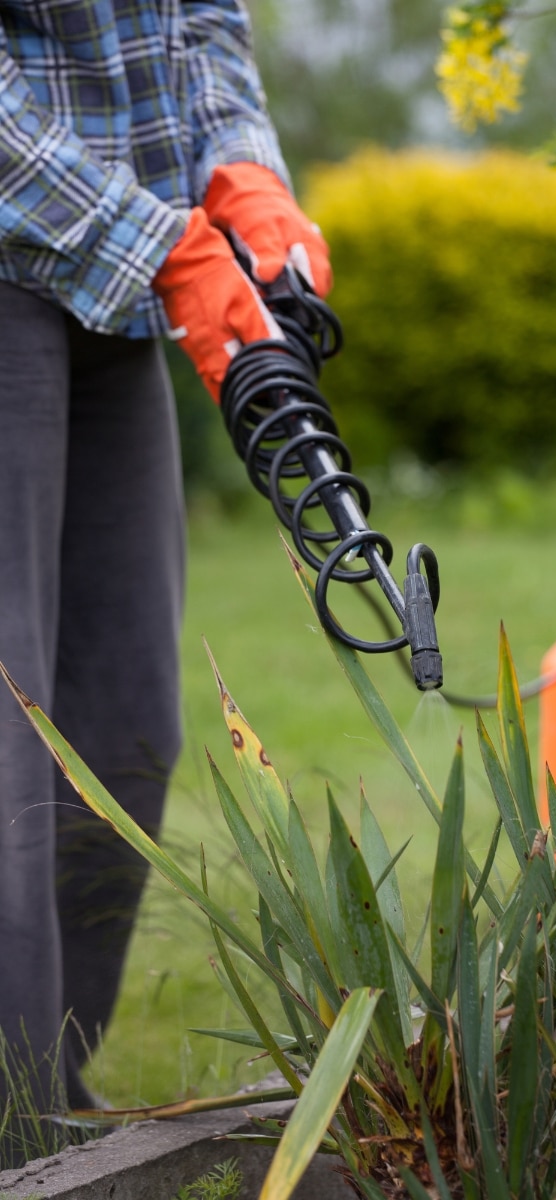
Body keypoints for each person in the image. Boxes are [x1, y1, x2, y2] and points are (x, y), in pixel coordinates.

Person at [0, 0, 331, 1140]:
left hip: (120, 264)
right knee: (7, 737)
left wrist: (242, 170)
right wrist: (161, 243)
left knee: (122, 723)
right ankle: (12, 1123)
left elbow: (195, 22)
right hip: (49, 245)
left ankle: (51, 1089)